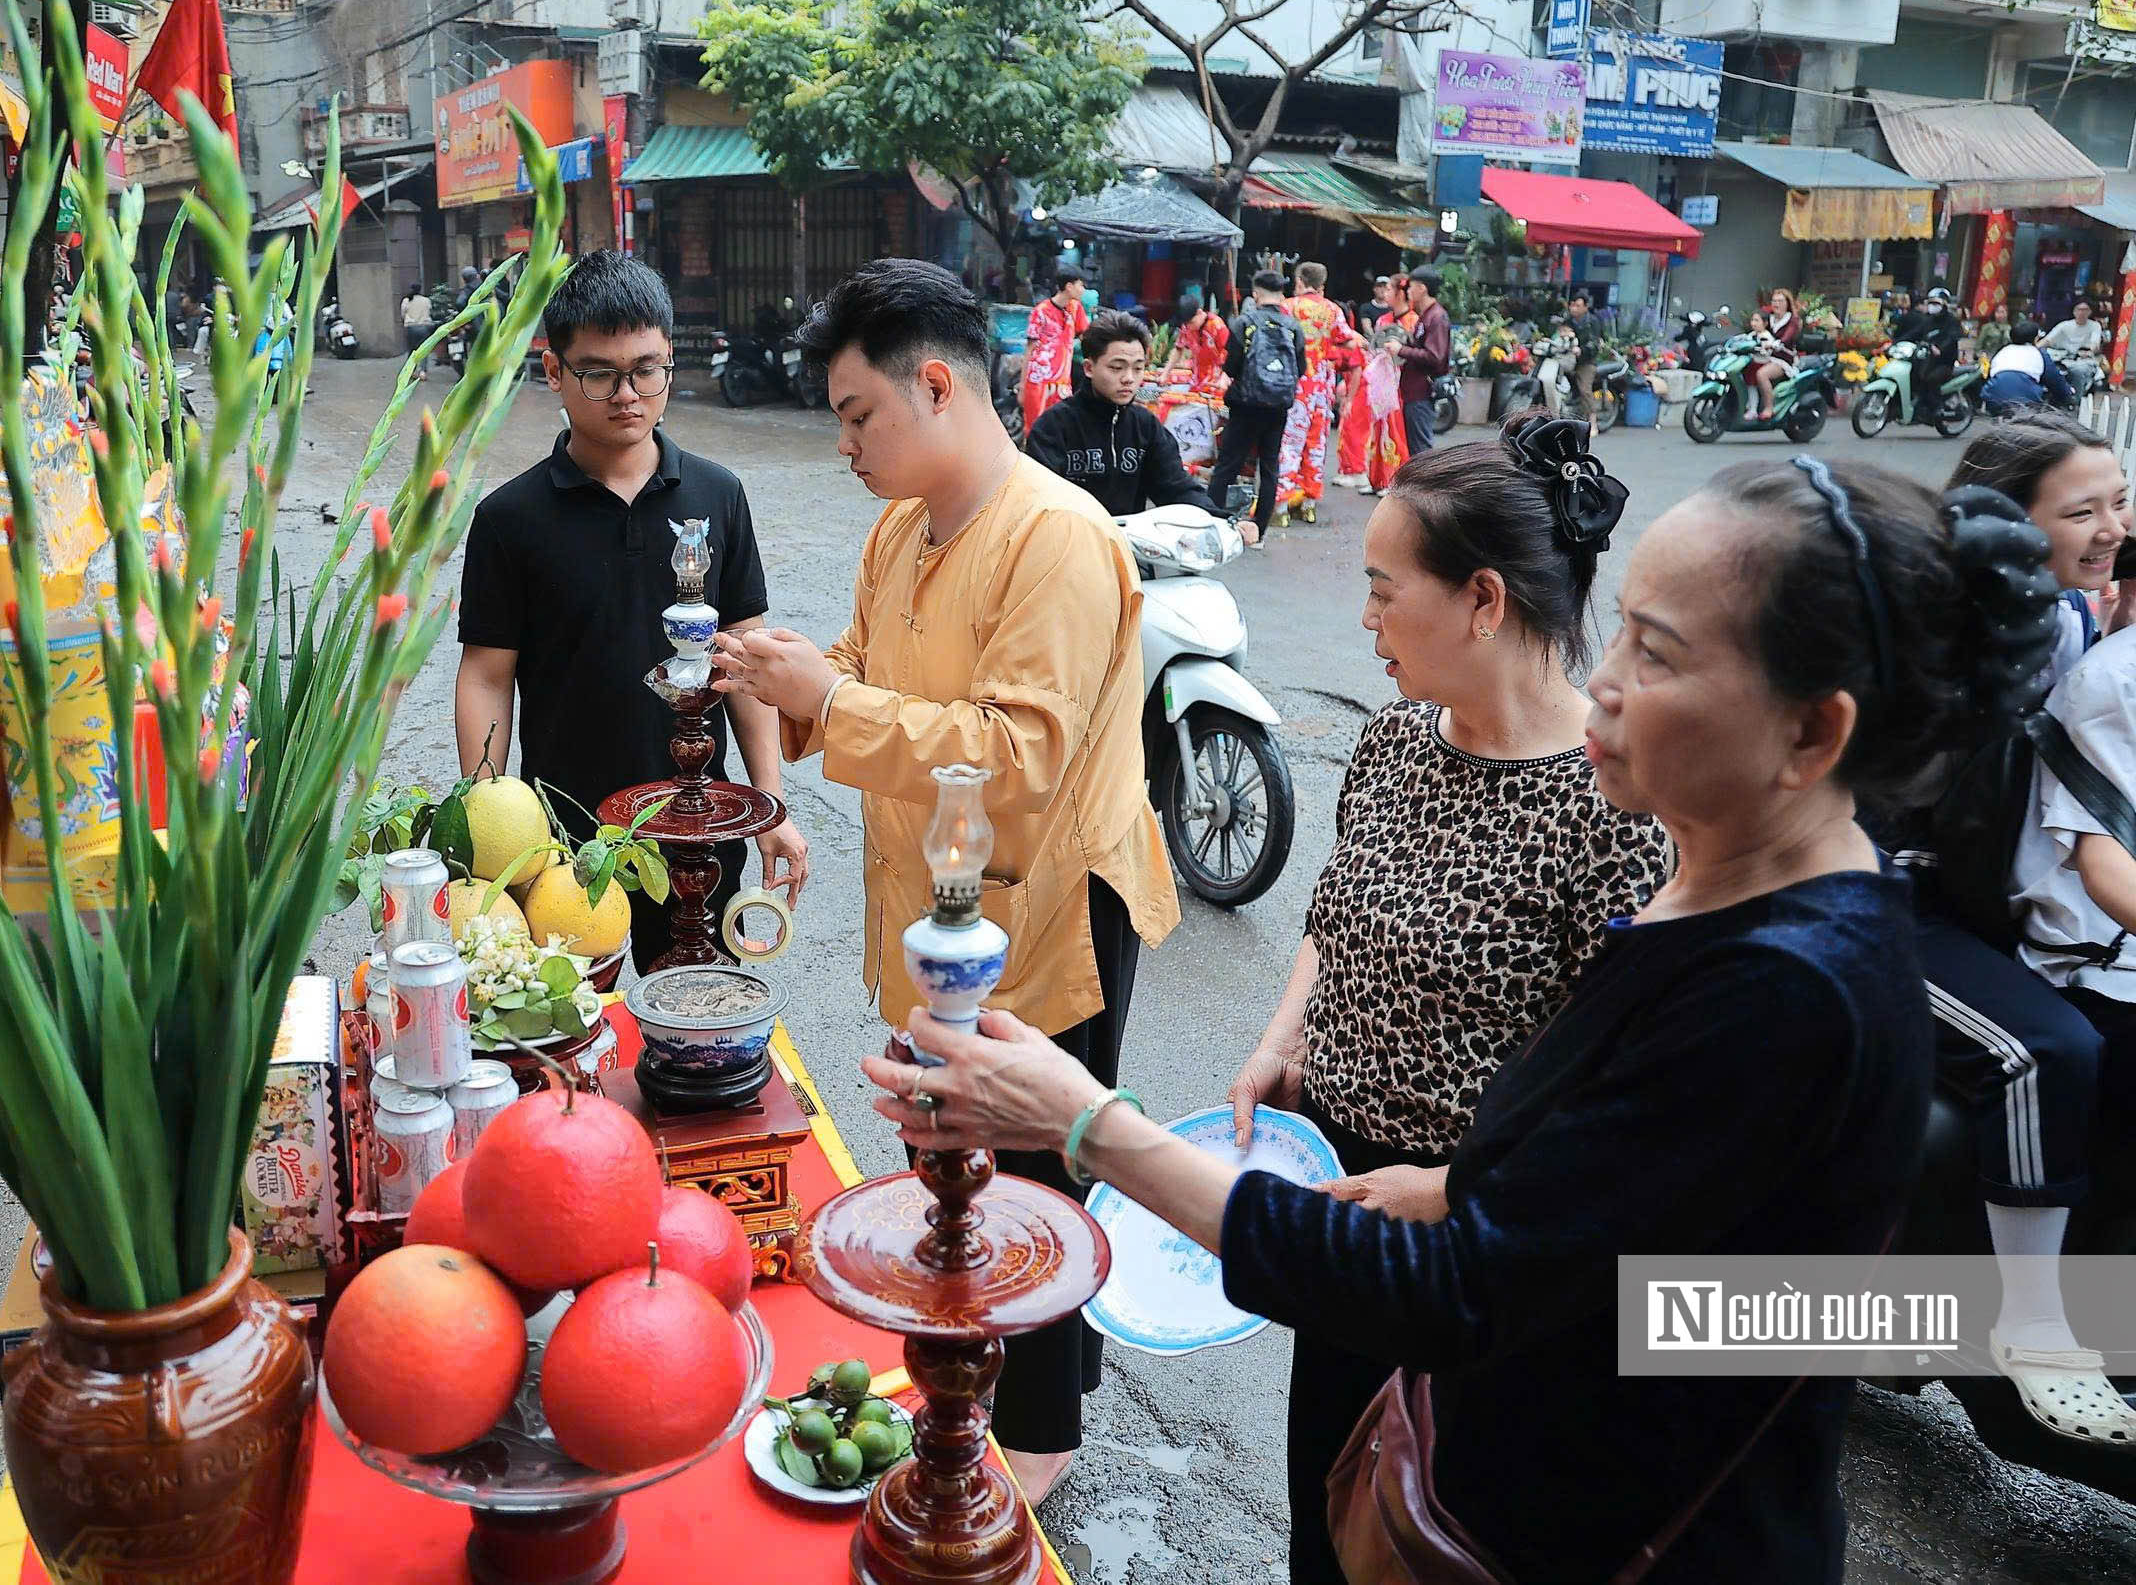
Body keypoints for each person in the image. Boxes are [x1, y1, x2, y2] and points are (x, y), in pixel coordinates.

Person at [869, 454, 2061, 1581]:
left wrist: (1088, 1125)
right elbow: (1645, 1229)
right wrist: (1469, 1191)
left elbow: (1470, 1296)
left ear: (1811, 733)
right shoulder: (1726, 900)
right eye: (1619, 631)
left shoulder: (1788, 988)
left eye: (1653, 652)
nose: (1602, 680)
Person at [711, 258, 1180, 1505]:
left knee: (1035, 1160)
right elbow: (863, 672)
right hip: (942, 897)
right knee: (949, 1148)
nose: (846, 446)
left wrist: (830, 700)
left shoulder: (1056, 535)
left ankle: (1039, 1427)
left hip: (1046, 899)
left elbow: (1017, 756)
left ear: (933, 385)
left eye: (857, 414)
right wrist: (784, 678)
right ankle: (980, 1370)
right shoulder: (900, 527)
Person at [1223, 416, 1671, 1583]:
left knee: (1425, 1529)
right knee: (1324, 1511)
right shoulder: (1392, 741)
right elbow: (1332, 912)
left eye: (1383, 592)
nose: (1364, 620)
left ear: (1482, 600)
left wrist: (1454, 1191)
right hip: (1340, 1192)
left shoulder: (1611, 809)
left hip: (1474, 1242)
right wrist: (1283, 1040)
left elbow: (1620, 1094)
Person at [455, 251, 810, 970]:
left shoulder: (717, 495)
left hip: (699, 835)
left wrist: (769, 804)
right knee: (581, 1025)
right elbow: (488, 675)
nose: (627, 395)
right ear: (553, 371)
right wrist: (489, 830)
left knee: (698, 1015)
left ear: (669, 361)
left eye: (647, 370)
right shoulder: (509, 518)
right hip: (566, 853)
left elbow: (746, 662)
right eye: (599, 373)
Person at [1910, 416, 2136, 1446]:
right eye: (2082, 512)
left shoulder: (2074, 616)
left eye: (2119, 502)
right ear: (2006, 524)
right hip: (1883, 900)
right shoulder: (1942, 634)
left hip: (1986, 905)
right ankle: (2034, 1325)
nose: (2113, 528)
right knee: (2043, 1050)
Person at [1024, 310, 1221, 518]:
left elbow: (1177, 487)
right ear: (1089, 368)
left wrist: (1222, 519)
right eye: (1117, 368)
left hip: (1128, 537)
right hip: (1072, 535)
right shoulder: (1054, 427)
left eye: (1138, 368)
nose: (1128, 378)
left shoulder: (1146, 426)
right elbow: (1039, 500)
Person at [1208, 268, 1301, 547]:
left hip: (1246, 405)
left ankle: (1212, 525)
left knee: (1228, 464)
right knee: (1269, 467)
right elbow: (1301, 368)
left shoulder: (1244, 322)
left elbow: (1232, 366)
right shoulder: (1293, 327)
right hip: (1278, 407)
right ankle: (1258, 533)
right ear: (1281, 294)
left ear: (1256, 293)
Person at [1272, 260, 1359, 517]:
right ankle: (1309, 505)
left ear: (1300, 281)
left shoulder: (1288, 307)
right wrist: (1325, 346)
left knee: (1290, 442)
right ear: (1322, 284)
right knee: (1316, 444)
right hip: (1321, 387)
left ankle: (1281, 506)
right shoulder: (1333, 310)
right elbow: (1349, 343)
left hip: (1295, 384)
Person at [1020, 263, 1089, 431]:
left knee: (1062, 429)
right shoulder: (1040, 311)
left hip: (1063, 382)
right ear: (1069, 286)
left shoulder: (1076, 308)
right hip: (1038, 381)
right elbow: (1029, 349)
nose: (1083, 290)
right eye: (1081, 285)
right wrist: (1022, 386)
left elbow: (1086, 338)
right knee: (1035, 429)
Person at [1395, 266, 1452, 453]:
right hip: (1413, 391)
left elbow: (1434, 356)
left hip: (1422, 392)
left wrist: (1401, 350)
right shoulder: (1427, 315)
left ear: (1422, 288)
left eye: (1411, 287)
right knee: (1414, 447)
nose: (1408, 292)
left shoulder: (1437, 317)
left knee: (1421, 450)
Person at [1349, 321, 1410, 494]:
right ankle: (1376, 479)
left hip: (1393, 394)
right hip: (1380, 394)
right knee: (1376, 436)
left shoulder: (1409, 320)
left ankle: (1392, 480)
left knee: (1393, 436)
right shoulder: (1385, 319)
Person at [1984, 319, 2080, 416]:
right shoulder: (2039, 353)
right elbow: (2055, 381)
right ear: (2035, 338)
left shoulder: (2002, 351)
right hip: (2025, 402)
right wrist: (2068, 394)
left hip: (1993, 398)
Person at [1900, 286, 1965, 414]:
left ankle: (1937, 408)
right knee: (1912, 375)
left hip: (1944, 363)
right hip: (1926, 360)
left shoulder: (1952, 321)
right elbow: (1914, 333)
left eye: (1936, 303)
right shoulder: (1928, 321)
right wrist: (1895, 342)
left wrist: (1940, 348)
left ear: (1944, 304)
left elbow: (1952, 337)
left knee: (1929, 379)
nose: (1932, 306)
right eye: (1930, 303)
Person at [1748, 288, 1801, 422]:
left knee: (1762, 374)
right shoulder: (1770, 318)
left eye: (1780, 301)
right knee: (1747, 369)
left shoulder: (1792, 320)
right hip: (1766, 356)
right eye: (1774, 301)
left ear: (1787, 303)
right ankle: (1751, 406)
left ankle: (1769, 408)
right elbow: (1759, 330)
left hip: (1783, 359)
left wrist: (1778, 343)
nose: (1776, 304)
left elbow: (1788, 336)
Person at [1561, 292, 1606, 420]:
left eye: (1578, 305)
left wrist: (1582, 350)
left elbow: (1595, 343)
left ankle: (1593, 421)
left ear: (1586, 307)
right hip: (1568, 359)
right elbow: (1560, 335)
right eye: (1572, 305)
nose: (1574, 308)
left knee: (1584, 389)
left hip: (1586, 361)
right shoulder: (1567, 321)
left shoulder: (1593, 321)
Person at [1173, 295, 1228, 397]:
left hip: (1216, 381)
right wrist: (1165, 373)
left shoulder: (1217, 325)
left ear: (1199, 312)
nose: (1189, 327)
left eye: (1191, 322)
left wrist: (1224, 377)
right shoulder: (1186, 327)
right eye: (1186, 324)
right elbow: (1179, 348)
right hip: (1196, 380)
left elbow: (1229, 354)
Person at [400, 283, 435, 354]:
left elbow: (403, 314)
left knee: (411, 350)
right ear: (420, 290)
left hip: (411, 327)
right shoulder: (426, 300)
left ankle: (412, 361)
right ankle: (423, 361)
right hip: (425, 327)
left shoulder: (406, 300)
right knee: (424, 349)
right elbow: (430, 312)